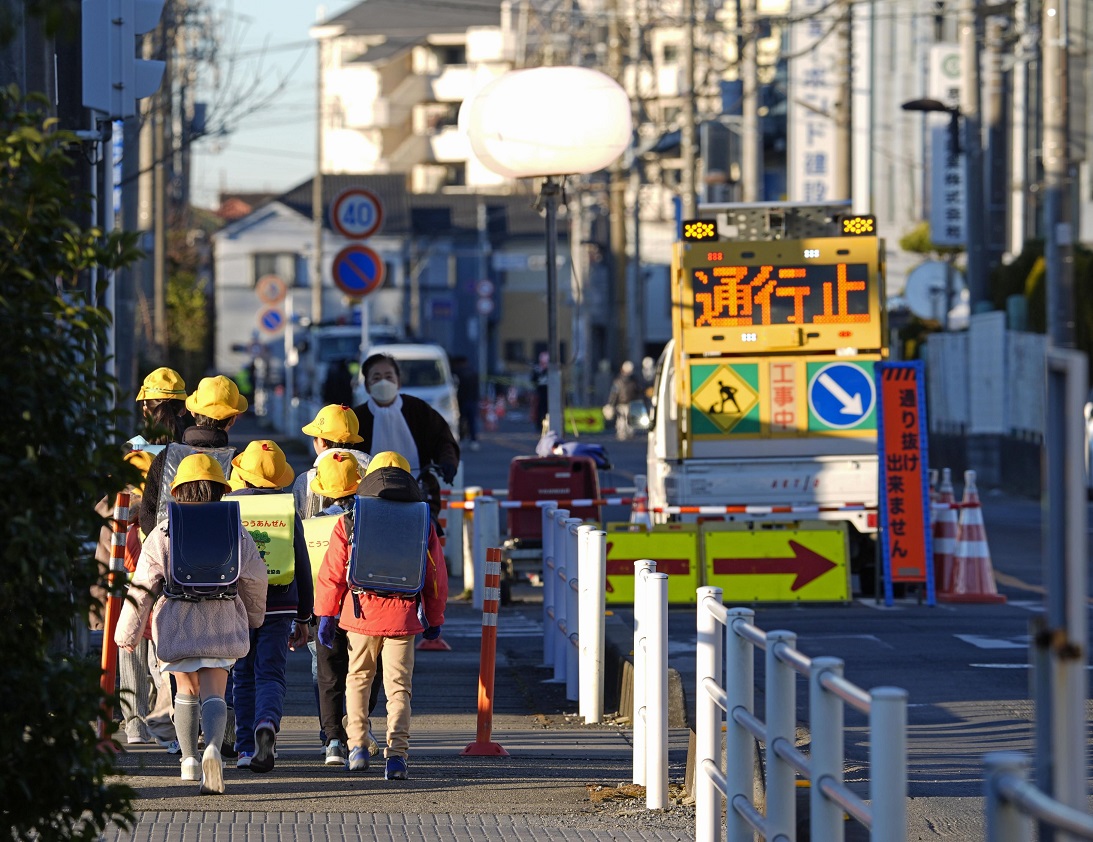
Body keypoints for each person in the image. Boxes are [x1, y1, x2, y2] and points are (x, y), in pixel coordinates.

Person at [115, 454, 267, 795]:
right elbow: (255, 579)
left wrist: (127, 632)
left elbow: (142, 584)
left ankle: (188, 760)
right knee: (215, 691)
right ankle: (213, 748)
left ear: (177, 491)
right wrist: (254, 617)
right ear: (220, 489)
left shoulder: (164, 530)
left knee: (185, 690)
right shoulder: (235, 529)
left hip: (176, 621)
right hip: (223, 617)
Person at [314, 451, 448, 780]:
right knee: (399, 689)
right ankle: (397, 756)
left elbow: (332, 574)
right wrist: (434, 617)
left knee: (357, 681)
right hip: (403, 617)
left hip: (360, 614)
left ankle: (357, 747)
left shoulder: (351, 518)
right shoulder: (423, 521)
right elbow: (435, 577)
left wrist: (326, 614)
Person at [225, 440, 313, 773]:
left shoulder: (228, 505)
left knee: (242, 675)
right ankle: (267, 723)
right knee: (271, 673)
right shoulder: (286, 508)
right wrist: (305, 615)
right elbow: (302, 565)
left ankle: (246, 747)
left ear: (243, 476)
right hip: (280, 603)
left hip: (238, 603)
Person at [117, 367, 190, 750]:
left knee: (131, 636)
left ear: (146, 407)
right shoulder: (196, 448)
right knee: (168, 633)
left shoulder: (134, 451)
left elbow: (119, 505)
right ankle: (171, 714)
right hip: (186, 554)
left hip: (139, 553)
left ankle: (133, 720)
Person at [303, 451, 381, 766]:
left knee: (328, 675)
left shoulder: (313, 524)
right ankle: (356, 721)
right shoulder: (368, 518)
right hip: (364, 608)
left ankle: (333, 741)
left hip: (325, 610)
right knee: (365, 672)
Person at [350, 353, 460, 521]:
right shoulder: (356, 418)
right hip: (369, 497)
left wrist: (447, 462)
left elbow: (442, 439)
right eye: (376, 378)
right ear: (367, 385)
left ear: (398, 381)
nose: (383, 382)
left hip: (419, 490)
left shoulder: (418, 409)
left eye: (388, 376)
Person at [140, 374, 248, 536]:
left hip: (166, 553)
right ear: (232, 420)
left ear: (192, 412)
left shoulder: (165, 456)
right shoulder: (238, 463)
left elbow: (147, 515)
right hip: (220, 556)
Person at [293, 404, 370, 519]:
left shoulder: (307, 480)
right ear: (353, 441)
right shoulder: (373, 471)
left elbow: (296, 525)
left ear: (322, 442)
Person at [606, 360, 642, 441]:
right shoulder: (621, 381)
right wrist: (611, 404)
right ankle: (623, 433)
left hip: (628, 403)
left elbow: (638, 391)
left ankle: (626, 433)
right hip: (623, 404)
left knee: (627, 420)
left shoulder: (629, 381)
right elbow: (614, 393)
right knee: (623, 420)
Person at [451, 355, 480, 450]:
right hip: (472, 400)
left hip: (462, 401)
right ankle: (473, 440)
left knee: (461, 421)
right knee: (472, 422)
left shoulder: (457, 372)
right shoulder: (473, 372)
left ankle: (461, 439)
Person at [530, 351, 549, 432]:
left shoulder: (549, 370)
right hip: (540, 393)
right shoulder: (537, 370)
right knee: (539, 410)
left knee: (547, 411)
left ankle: (547, 426)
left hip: (548, 394)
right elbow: (533, 380)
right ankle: (539, 426)